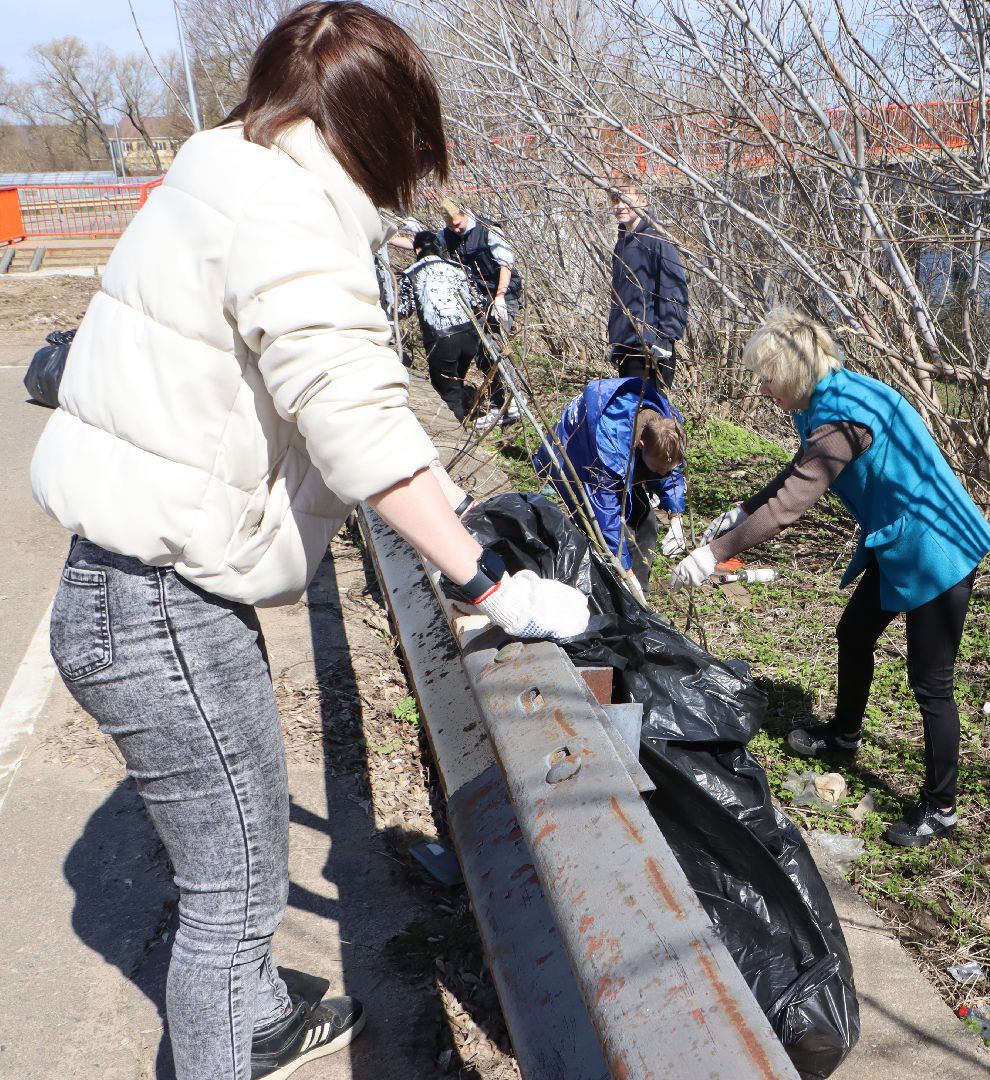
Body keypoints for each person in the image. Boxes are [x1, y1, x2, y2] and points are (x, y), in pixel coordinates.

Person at [28, 6, 590, 1079]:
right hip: (162, 607)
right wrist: (489, 585)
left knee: (234, 860)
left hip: (121, 585)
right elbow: (364, 426)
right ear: (380, 127)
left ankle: (258, 1018)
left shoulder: (214, 170)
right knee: (233, 895)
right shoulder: (293, 216)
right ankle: (223, 1044)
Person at [674, 308, 990, 848]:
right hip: (899, 539)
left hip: (937, 547)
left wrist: (714, 554)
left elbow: (789, 508)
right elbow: (803, 466)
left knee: (930, 683)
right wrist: (741, 509)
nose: (763, 387)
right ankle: (844, 734)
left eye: (768, 377)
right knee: (854, 634)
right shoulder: (823, 399)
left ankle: (941, 809)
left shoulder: (843, 419)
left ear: (794, 374)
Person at [534, 377, 687, 596]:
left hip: (623, 456)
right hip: (577, 458)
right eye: (659, 467)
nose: (664, 473)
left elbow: (671, 468)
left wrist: (676, 515)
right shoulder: (609, 449)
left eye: (668, 467)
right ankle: (604, 592)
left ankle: (638, 596)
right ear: (641, 445)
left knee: (646, 523)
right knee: (598, 530)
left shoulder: (669, 428)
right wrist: (626, 572)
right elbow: (607, 518)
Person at [440, 198, 522, 430]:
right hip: (477, 300)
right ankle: (498, 404)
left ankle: (515, 399)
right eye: (451, 227)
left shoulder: (488, 230)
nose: (456, 230)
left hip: (503, 295)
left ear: (465, 213)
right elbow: (421, 242)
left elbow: (505, 264)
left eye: (458, 224)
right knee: (481, 350)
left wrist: (500, 297)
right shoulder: (447, 234)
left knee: (495, 345)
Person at [608, 185, 688, 390]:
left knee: (651, 417)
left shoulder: (656, 239)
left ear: (643, 201)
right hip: (628, 345)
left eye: (626, 199)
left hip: (650, 346)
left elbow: (673, 289)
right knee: (632, 415)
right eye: (616, 200)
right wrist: (618, 342)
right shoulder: (622, 243)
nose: (620, 206)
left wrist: (665, 338)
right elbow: (622, 296)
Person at [398, 229, 482, 420]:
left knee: (447, 392)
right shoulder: (460, 268)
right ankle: (465, 415)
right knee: (457, 381)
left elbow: (404, 310)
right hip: (470, 335)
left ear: (417, 250)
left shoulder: (412, 273)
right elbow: (479, 303)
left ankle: (459, 437)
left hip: (441, 339)